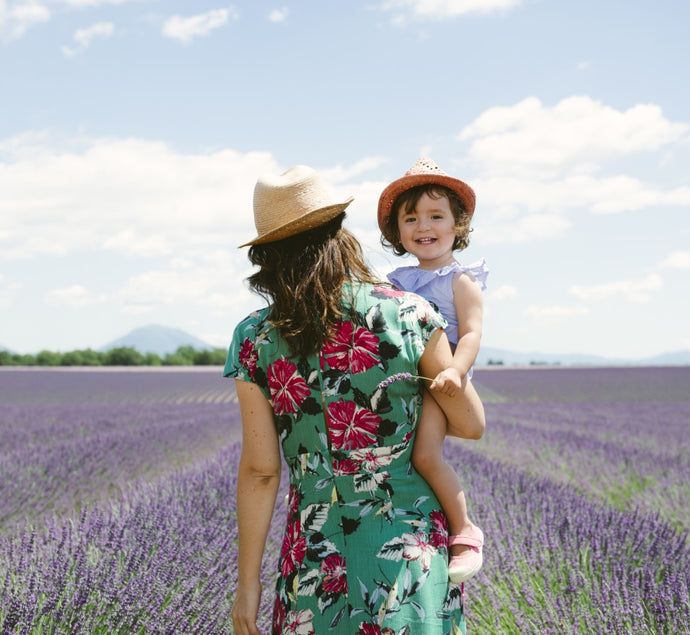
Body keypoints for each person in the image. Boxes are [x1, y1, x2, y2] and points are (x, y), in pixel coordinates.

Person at [225, 164, 485, 634]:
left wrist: (248, 585)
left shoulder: (253, 336)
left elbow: (261, 471)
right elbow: (470, 424)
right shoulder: (409, 313)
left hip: (313, 557)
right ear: (340, 232)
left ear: (267, 254)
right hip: (407, 557)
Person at [377, 157, 488, 584]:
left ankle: (464, 530)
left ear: (458, 226)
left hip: (442, 380)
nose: (423, 226)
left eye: (436, 216)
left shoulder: (460, 280)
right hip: (408, 379)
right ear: (398, 233)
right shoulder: (397, 279)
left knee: (425, 455)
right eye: (412, 218)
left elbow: (474, 334)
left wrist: (456, 370)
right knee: (400, 457)